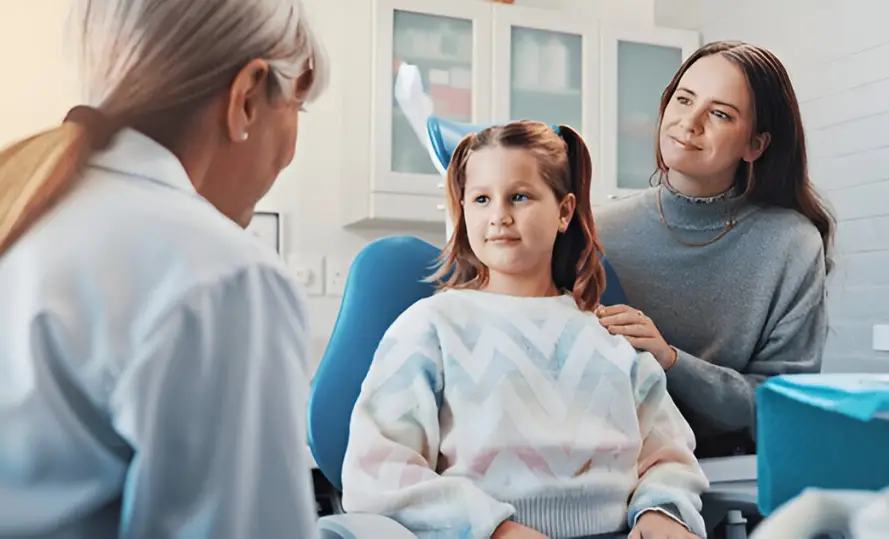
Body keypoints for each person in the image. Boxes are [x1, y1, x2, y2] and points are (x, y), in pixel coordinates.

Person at [0, 1, 328, 537]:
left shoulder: (26, 211)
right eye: (298, 107)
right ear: (247, 97)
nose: (291, 148)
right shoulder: (222, 276)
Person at [339, 121, 710, 539]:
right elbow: (376, 471)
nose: (498, 215)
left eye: (519, 196)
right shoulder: (431, 327)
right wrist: (493, 528)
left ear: (564, 211)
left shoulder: (610, 336)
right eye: (481, 199)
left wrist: (662, 509)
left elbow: (671, 454)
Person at [595, 41, 833, 457]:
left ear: (755, 145)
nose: (690, 122)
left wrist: (671, 361)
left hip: (729, 478)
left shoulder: (793, 244)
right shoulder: (596, 231)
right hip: (607, 470)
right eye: (684, 100)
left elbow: (782, 405)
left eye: (720, 113)